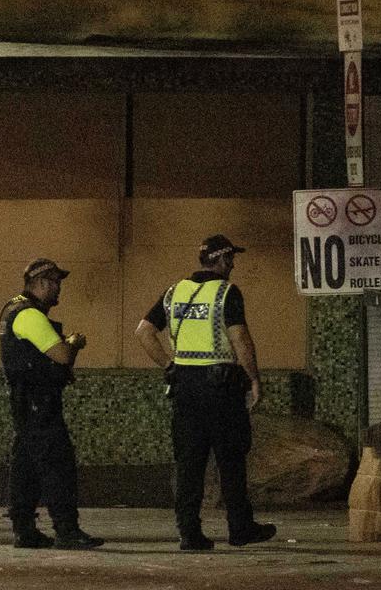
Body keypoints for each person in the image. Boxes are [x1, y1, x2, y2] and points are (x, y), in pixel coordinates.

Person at [135, 235, 275, 551]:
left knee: (189, 465)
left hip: (185, 390)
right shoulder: (227, 293)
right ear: (222, 260)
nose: (233, 265)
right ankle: (240, 529)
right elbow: (241, 340)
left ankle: (189, 533)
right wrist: (254, 379)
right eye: (231, 259)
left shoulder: (174, 292)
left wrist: (169, 365)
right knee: (231, 461)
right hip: (221, 390)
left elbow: (143, 331)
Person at [0, 259, 104, 550]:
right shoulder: (30, 315)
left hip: (25, 401)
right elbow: (62, 356)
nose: (59, 289)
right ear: (43, 282)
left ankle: (25, 530)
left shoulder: (12, 308)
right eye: (56, 282)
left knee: (26, 465)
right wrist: (74, 343)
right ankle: (67, 530)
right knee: (58, 464)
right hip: (39, 402)